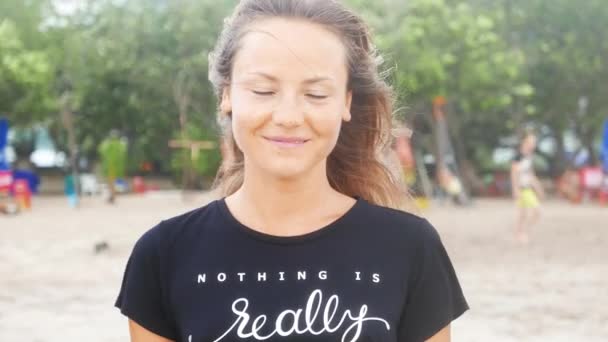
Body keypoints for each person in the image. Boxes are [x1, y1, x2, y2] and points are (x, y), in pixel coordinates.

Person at [115, 1, 468, 341]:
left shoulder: (411, 248)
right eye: (263, 90)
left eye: (315, 94)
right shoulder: (163, 255)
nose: (288, 116)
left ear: (345, 102)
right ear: (227, 94)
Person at [511, 131, 545, 244]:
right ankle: (521, 233)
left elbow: (531, 174)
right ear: (525, 142)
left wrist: (538, 187)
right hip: (521, 189)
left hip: (528, 189)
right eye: (531, 142)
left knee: (534, 212)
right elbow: (514, 173)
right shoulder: (517, 156)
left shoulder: (529, 156)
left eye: (534, 142)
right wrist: (515, 189)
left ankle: (521, 232)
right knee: (524, 214)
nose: (533, 144)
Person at [98, 129, 127, 204]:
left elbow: (102, 151)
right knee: (114, 182)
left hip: (110, 166)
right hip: (117, 166)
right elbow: (122, 153)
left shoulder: (108, 143)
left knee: (110, 182)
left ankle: (112, 196)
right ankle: (112, 196)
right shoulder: (120, 144)